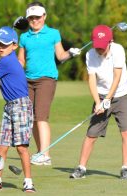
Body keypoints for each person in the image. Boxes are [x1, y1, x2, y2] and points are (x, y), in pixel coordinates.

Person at [18, 1, 81, 166]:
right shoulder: (24, 37)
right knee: (31, 118)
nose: (34, 20)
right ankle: (41, 153)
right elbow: (20, 62)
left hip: (47, 79)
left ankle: (45, 154)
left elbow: (60, 56)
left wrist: (71, 53)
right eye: (31, 17)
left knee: (41, 117)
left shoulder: (53, 33)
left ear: (44, 16)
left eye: (37, 17)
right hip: (28, 80)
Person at [70, 24, 127, 180]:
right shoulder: (90, 54)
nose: (99, 50)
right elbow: (92, 79)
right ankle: (81, 168)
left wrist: (107, 100)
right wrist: (98, 102)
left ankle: (125, 168)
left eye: (102, 47)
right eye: (97, 47)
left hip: (122, 95)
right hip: (101, 94)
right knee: (92, 134)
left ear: (110, 42)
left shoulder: (118, 50)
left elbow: (117, 77)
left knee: (126, 131)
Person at [0, 26, 35, 193]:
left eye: (4, 44)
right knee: (2, 146)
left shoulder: (6, 61)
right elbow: (3, 85)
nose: (0, 47)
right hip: (10, 106)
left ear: (14, 46)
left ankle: (28, 182)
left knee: (21, 147)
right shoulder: (6, 62)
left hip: (20, 106)